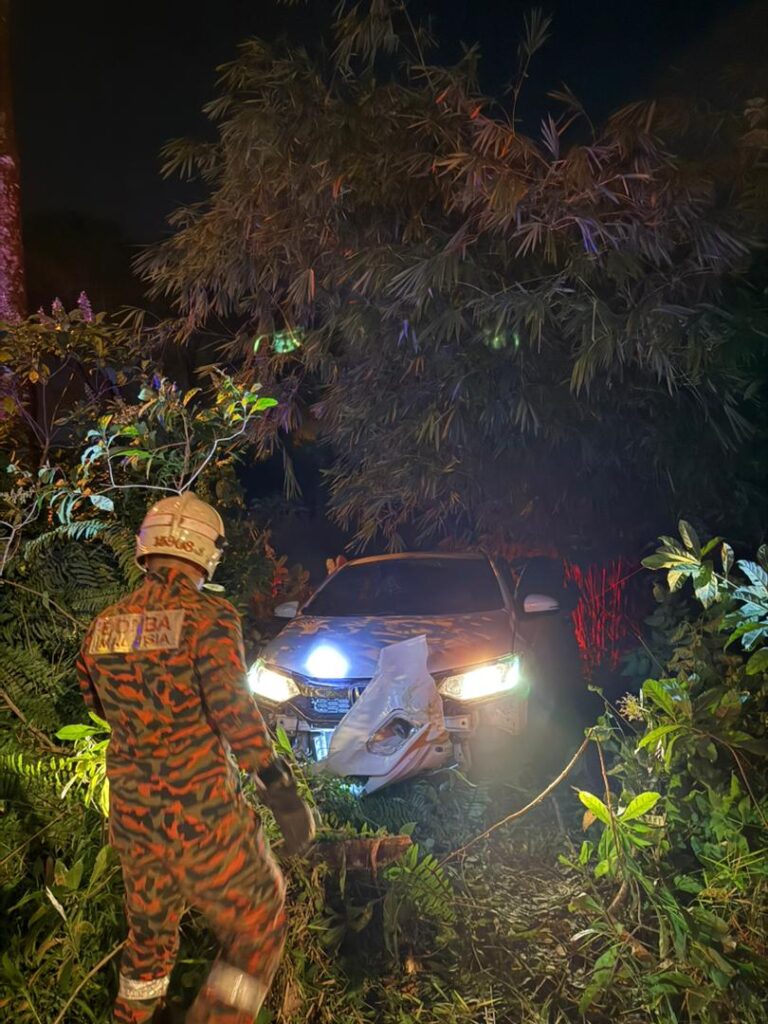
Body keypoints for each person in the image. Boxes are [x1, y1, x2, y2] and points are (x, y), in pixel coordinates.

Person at [76, 492, 315, 1024]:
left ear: (145, 547)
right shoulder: (209, 616)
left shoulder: (104, 626)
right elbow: (233, 709)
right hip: (201, 815)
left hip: (134, 819)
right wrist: (278, 788)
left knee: (149, 942)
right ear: (206, 553)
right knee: (259, 921)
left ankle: (135, 1016)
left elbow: (96, 703)